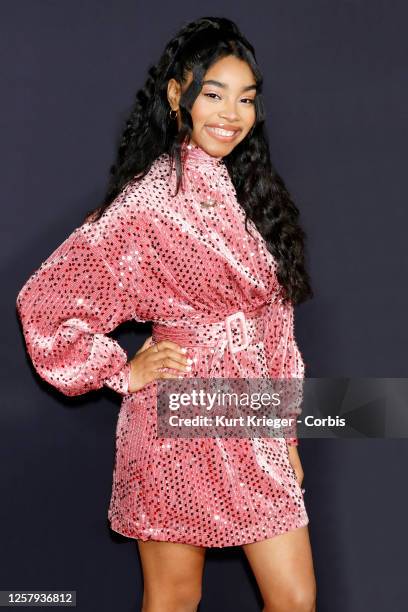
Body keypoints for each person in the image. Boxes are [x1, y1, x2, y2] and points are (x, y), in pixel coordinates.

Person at [16, 15, 317, 612]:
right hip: (174, 418)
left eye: (246, 99)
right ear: (178, 95)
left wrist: (285, 431)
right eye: (213, 94)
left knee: (295, 597)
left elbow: (275, 326)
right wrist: (122, 370)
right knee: (176, 596)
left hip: (248, 413)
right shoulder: (150, 198)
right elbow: (45, 301)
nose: (231, 113)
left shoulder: (249, 190)